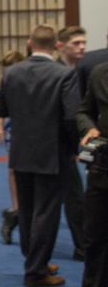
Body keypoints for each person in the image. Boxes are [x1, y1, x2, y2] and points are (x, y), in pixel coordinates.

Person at [0, 24, 80, 287]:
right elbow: (71, 117)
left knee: (28, 209)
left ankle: (34, 260)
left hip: (21, 150)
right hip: (52, 152)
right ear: (56, 45)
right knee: (46, 212)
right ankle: (35, 271)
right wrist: (72, 148)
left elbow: (3, 109)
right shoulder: (64, 74)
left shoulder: (11, 72)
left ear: (30, 43)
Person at [48, 60, 108, 287]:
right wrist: (89, 127)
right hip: (102, 170)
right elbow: (84, 112)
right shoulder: (100, 73)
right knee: (94, 238)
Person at [55, 25, 89, 261]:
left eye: (83, 42)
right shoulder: (57, 71)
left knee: (69, 197)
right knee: (71, 198)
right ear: (61, 45)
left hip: (66, 146)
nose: (82, 47)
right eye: (76, 43)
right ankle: (82, 247)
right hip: (58, 146)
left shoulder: (82, 71)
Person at [0, 49, 26, 244]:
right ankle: (16, 207)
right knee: (13, 168)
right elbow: (2, 107)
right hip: (12, 127)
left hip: (27, 126)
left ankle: (18, 211)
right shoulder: (5, 80)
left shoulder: (26, 79)